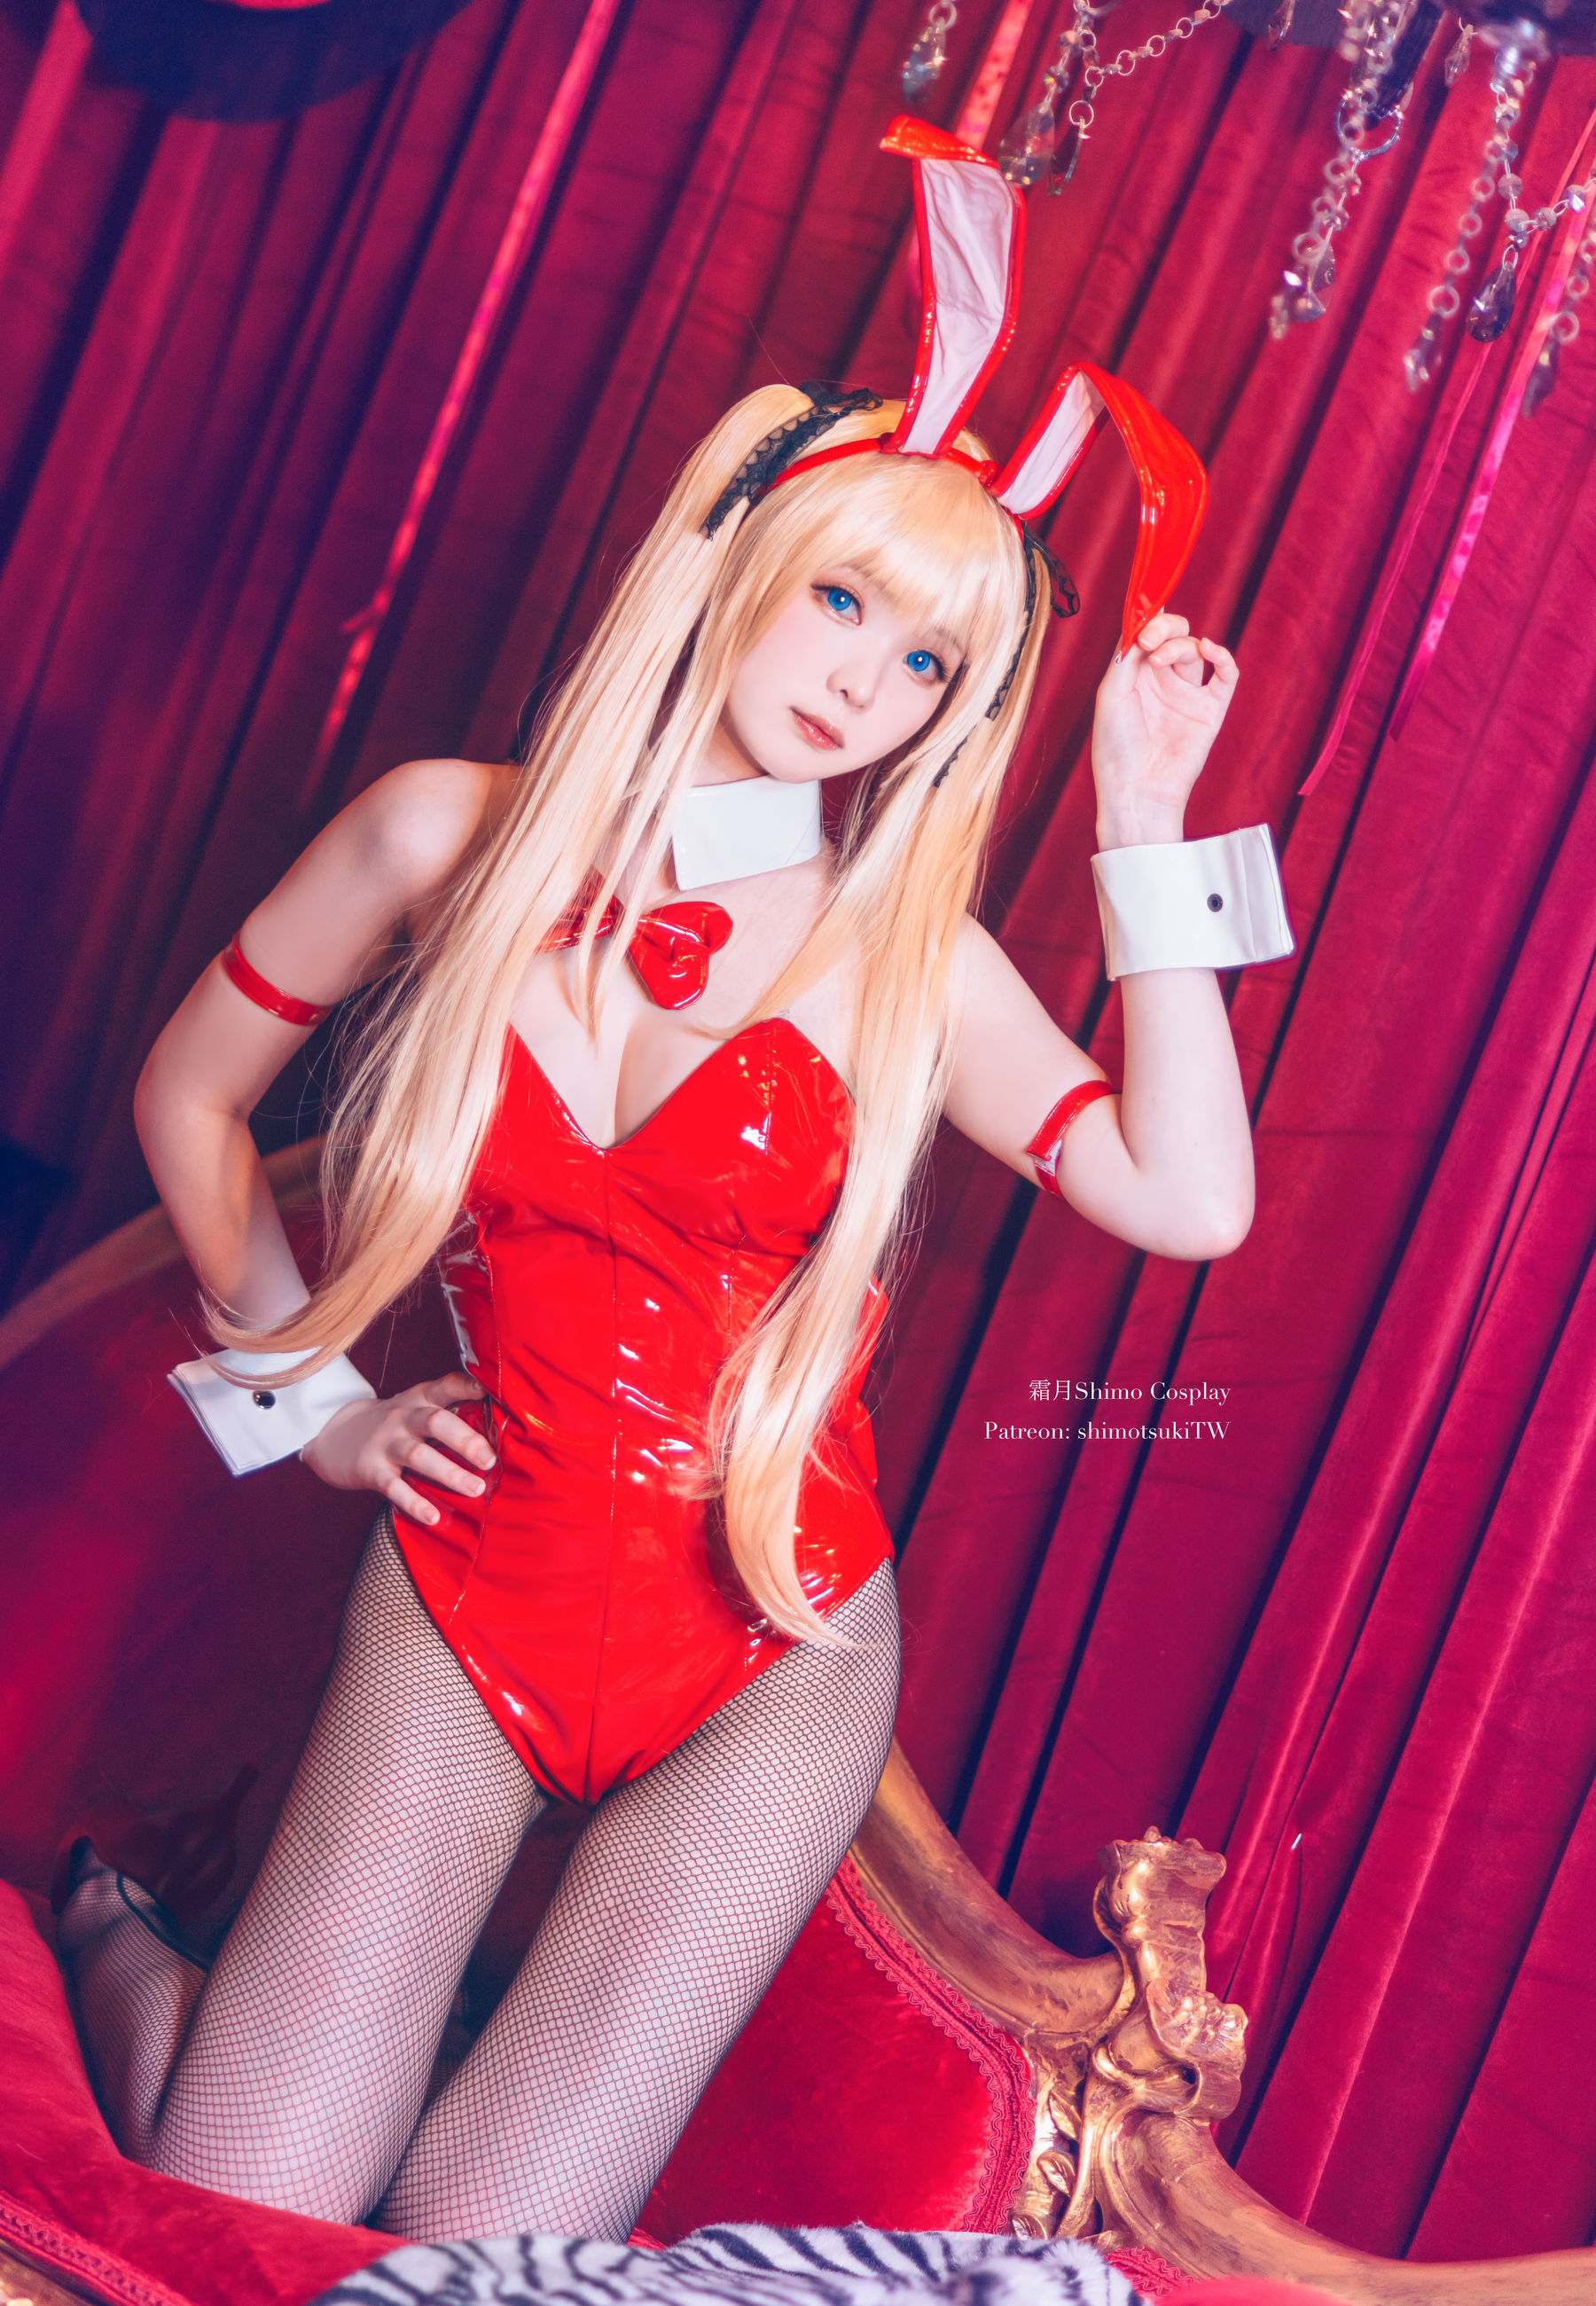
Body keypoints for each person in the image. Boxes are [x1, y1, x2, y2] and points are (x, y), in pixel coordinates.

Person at [52, 128, 1285, 2252]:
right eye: (844, 600)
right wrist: (312, 1410)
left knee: (475, 2242)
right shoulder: (443, 831)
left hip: (773, 1643)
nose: (863, 682)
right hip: (469, 1579)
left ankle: (390, 2042)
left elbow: (1193, 1197)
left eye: (928, 665)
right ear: (741, 561)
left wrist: (1141, 832)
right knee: (237, 2204)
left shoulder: (907, 962)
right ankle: (123, 1933)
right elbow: (189, 1093)